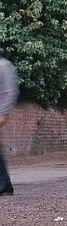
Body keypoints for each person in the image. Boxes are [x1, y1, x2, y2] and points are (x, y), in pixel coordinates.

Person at [0, 58, 19, 196]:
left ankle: (5, 186)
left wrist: (3, 113)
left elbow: (9, 92)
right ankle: (4, 186)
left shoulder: (3, 65)